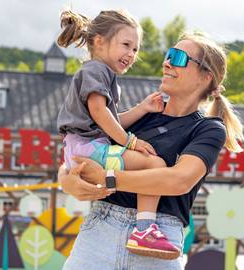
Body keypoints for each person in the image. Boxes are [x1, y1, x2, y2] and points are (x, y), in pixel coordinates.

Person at [59, 33, 244, 269]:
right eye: (168, 55)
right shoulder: (140, 115)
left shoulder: (208, 129)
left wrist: (107, 179)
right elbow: (85, 151)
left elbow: (179, 180)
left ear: (205, 77)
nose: (166, 63)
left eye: (178, 58)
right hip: (100, 231)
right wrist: (66, 180)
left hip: (159, 241)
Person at [55, 9, 180, 259]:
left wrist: (142, 108)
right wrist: (131, 142)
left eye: (135, 49)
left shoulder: (100, 73)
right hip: (88, 148)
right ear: (99, 41)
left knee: (149, 163)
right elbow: (100, 112)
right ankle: (145, 229)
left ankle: (144, 228)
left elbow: (109, 121)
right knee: (154, 164)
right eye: (126, 45)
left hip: (82, 147)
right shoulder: (96, 71)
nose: (131, 54)